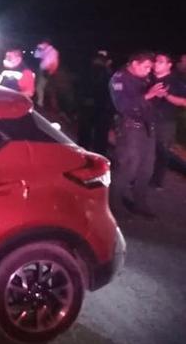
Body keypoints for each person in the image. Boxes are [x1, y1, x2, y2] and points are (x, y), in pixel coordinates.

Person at [109, 51, 167, 219]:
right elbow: (123, 106)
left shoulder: (145, 79)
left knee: (146, 169)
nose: (150, 70)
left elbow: (148, 104)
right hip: (130, 128)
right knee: (128, 167)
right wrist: (149, 95)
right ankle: (113, 204)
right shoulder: (119, 79)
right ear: (134, 63)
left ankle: (140, 203)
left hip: (147, 128)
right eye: (146, 66)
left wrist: (157, 96)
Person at [149, 52, 186, 189]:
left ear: (169, 65)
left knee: (162, 152)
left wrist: (167, 96)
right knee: (145, 151)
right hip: (147, 120)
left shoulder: (175, 82)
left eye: (160, 61)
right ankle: (141, 178)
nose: (156, 64)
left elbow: (184, 102)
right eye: (155, 61)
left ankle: (157, 181)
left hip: (165, 122)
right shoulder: (148, 78)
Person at [77, 50, 114, 156]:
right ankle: (98, 157)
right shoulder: (107, 73)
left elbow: (80, 88)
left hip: (87, 106)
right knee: (100, 136)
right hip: (101, 108)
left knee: (85, 135)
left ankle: (82, 155)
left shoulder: (86, 70)